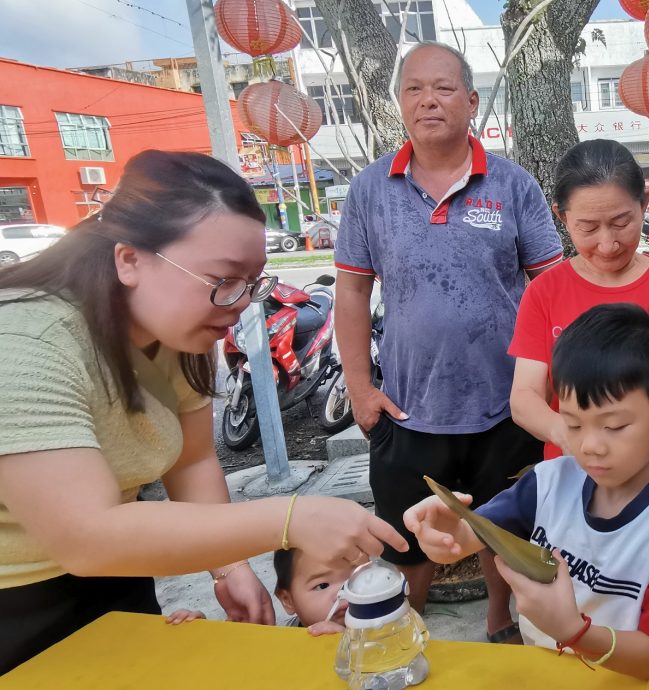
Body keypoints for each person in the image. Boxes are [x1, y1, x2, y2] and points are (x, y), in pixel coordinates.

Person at [0, 150, 408, 674]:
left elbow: (192, 461)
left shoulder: (178, 335)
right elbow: (86, 537)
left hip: (118, 578)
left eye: (252, 283)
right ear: (129, 260)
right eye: (223, 278)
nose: (240, 304)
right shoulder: (28, 342)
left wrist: (227, 565)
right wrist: (290, 517)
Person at [333, 41, 563, 644]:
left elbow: (552, 287)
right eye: (413, 89)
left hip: (506, 403)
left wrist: (556, 382)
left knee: (501, 530)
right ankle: (399, 634)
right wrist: (361, 389)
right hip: (410, 409)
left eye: (442, 87)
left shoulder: (513, 186)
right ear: (401, 102)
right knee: (408, 542)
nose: (427, 100)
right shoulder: (369, 190)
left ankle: (499, 622)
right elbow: (352, 294)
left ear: (471, 100)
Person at [404, 304, 649, 680]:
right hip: (541, 673)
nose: (590, 447)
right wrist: (445, 533)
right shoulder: (550, 481)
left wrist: (574, 631)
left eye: (614, 426)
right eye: (573, 424)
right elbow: (475, 534)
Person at [508, 139, 649, 491]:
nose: (607, 243)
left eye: (621, 222)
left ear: (644, 204)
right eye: (587, 227)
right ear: (561, 216)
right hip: (574, 483)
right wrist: (570, 437)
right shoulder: (544, 292)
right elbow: (524, 398)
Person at [273, 547, 352, 632]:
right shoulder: (285, 641)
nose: (345, 592)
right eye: (322, 586)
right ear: (288, 600)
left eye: (356, 578)